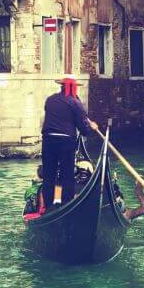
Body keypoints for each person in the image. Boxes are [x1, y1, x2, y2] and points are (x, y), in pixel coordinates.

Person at [40, 76, 98, 211]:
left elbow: (58, 115)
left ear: (61, 87)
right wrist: (92, 128)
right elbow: (83, 129)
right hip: (65, 141)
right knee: (67, 174)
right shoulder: (75, 103)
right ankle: (67, 205)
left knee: (49, 174)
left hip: (48, 140)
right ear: (73, 88)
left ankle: (48, 207)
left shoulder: (50, 100)